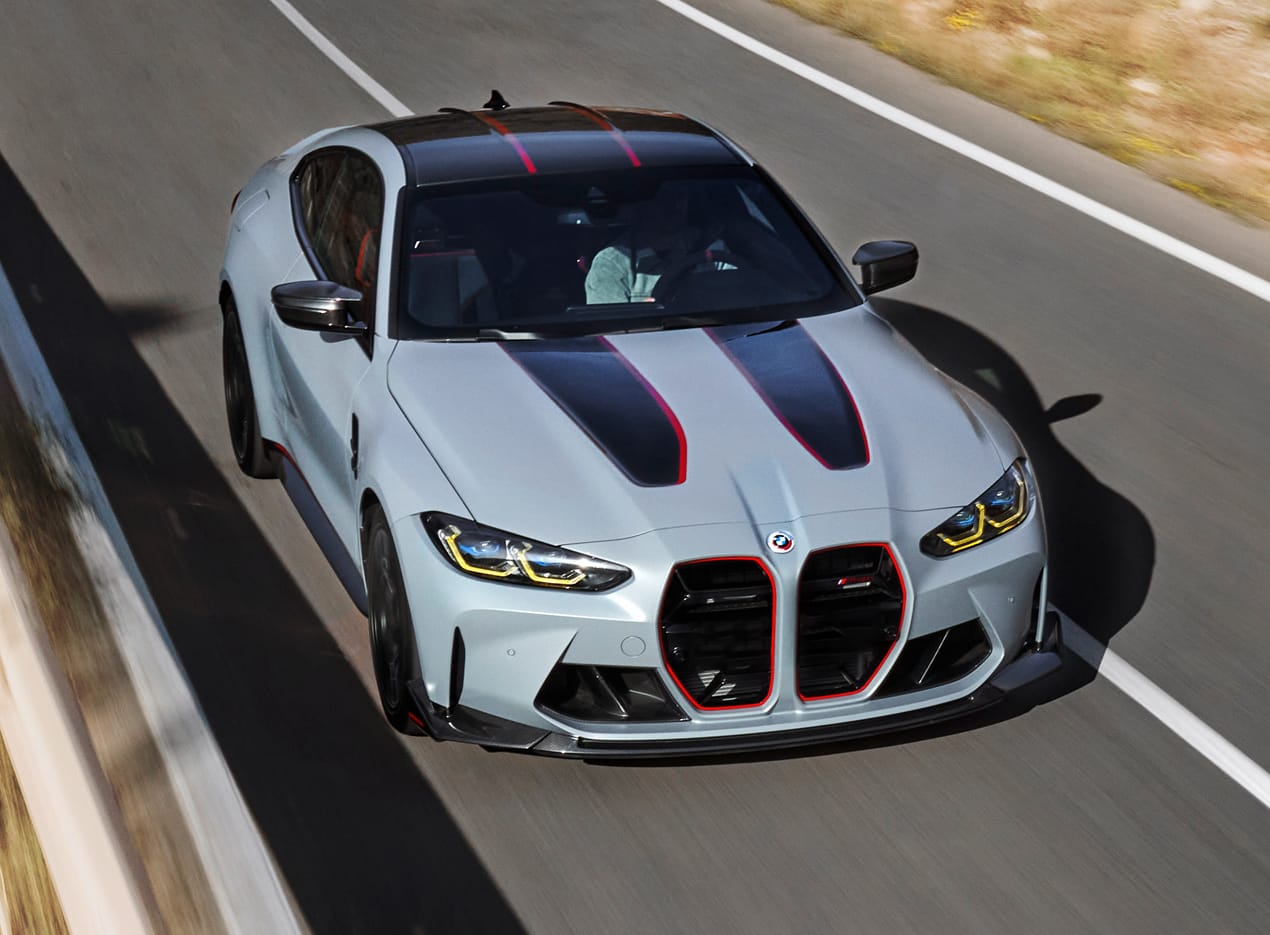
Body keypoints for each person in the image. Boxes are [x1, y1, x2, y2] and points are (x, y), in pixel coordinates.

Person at [584, 187, 731, 305]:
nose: (674, 206)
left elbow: (741, 293)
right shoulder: (611, 264)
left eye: (680, 197)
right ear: (642, 205)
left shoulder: (712, 249)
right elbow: (610, 332)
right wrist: (640, 317)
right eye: (663, 199)